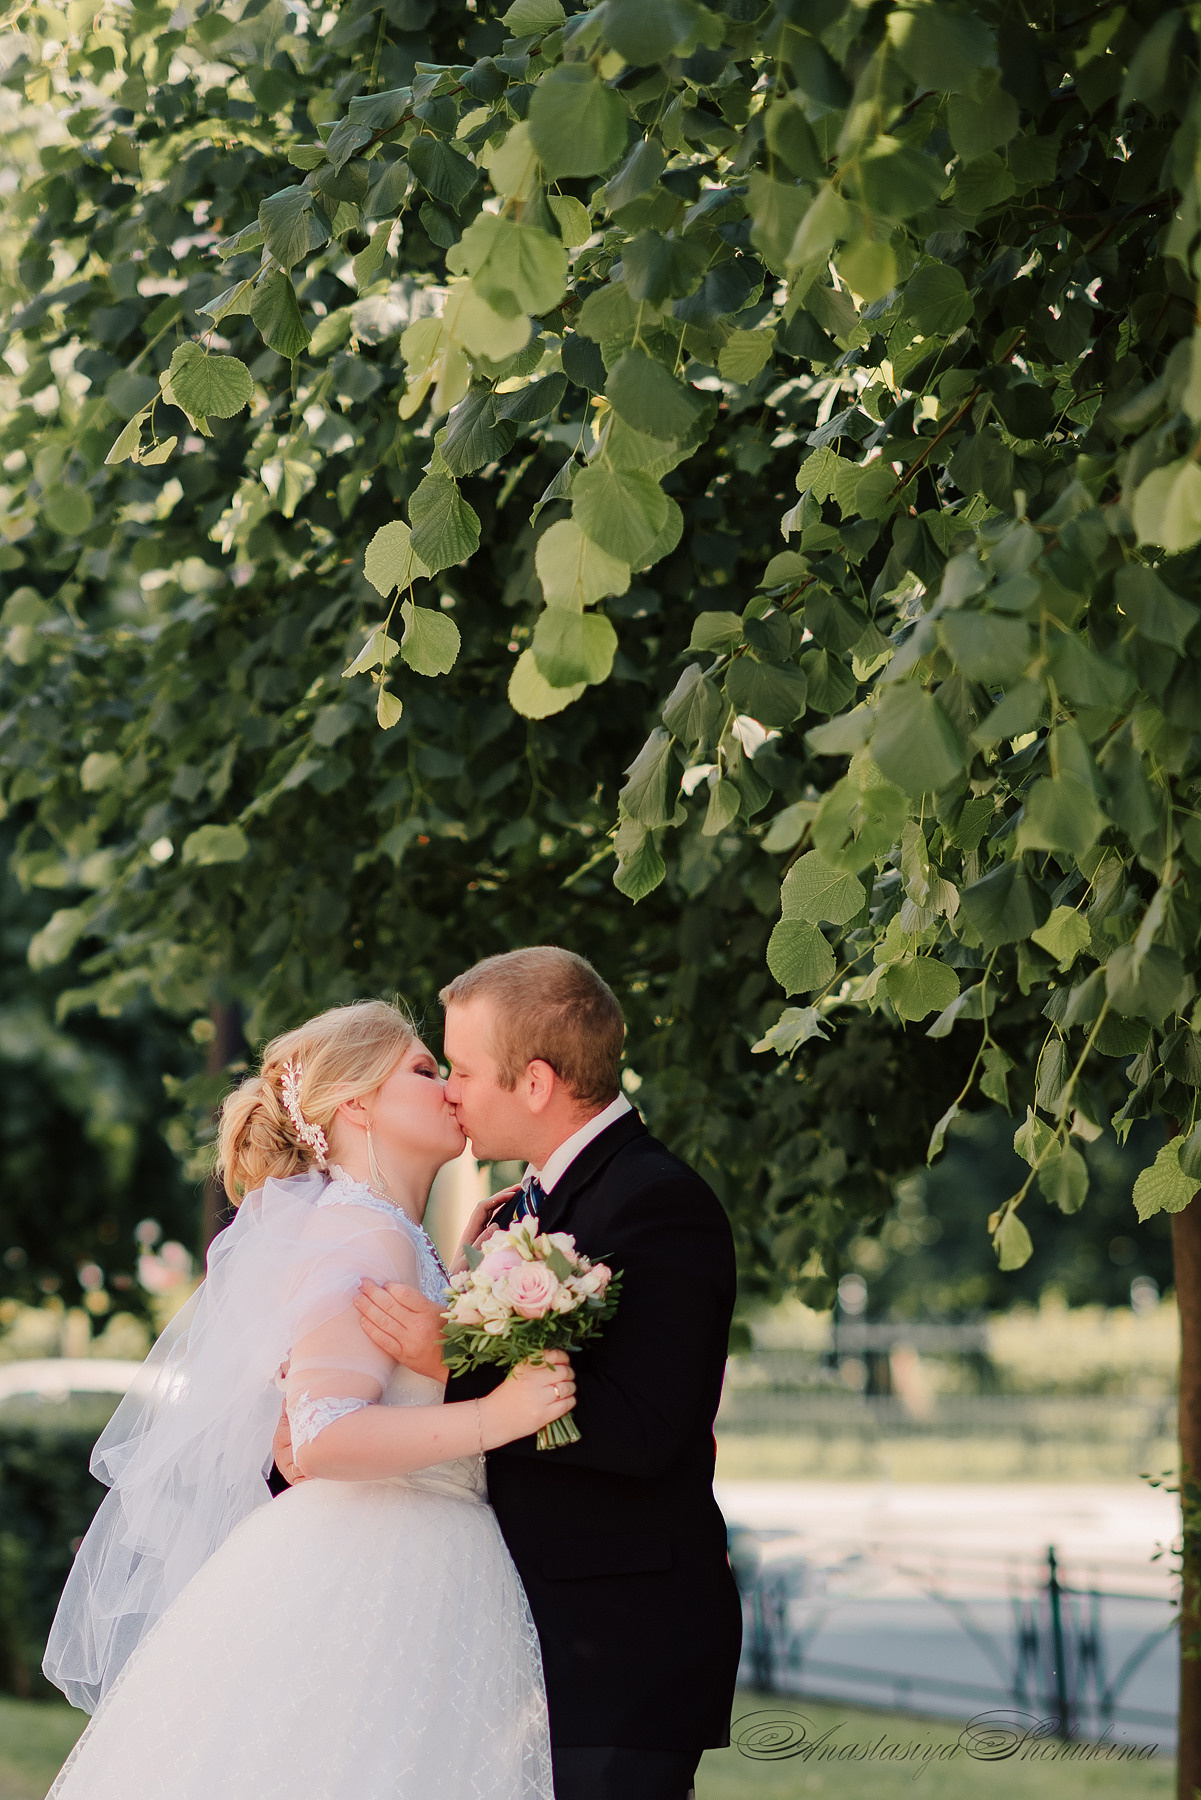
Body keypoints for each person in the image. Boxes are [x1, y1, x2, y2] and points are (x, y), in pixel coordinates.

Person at [42, 998, 572, 1800]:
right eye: (424, 1071)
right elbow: (322, 1438)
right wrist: (494, 1417)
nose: (449, 1089)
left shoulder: (389, 1232)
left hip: (417, 1551)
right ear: (356, 1104)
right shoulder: (363, 1232)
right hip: (381, 1566)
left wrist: (462, 1282)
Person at [284, 948, 744, 1800]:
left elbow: (643, 1431)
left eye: (460, 1069)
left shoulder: (653, 1202)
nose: (451, 1090)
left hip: (616, 1648)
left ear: (534, 1084)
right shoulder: (518, 1216)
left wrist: (449, 1359)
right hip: (515, 1644)